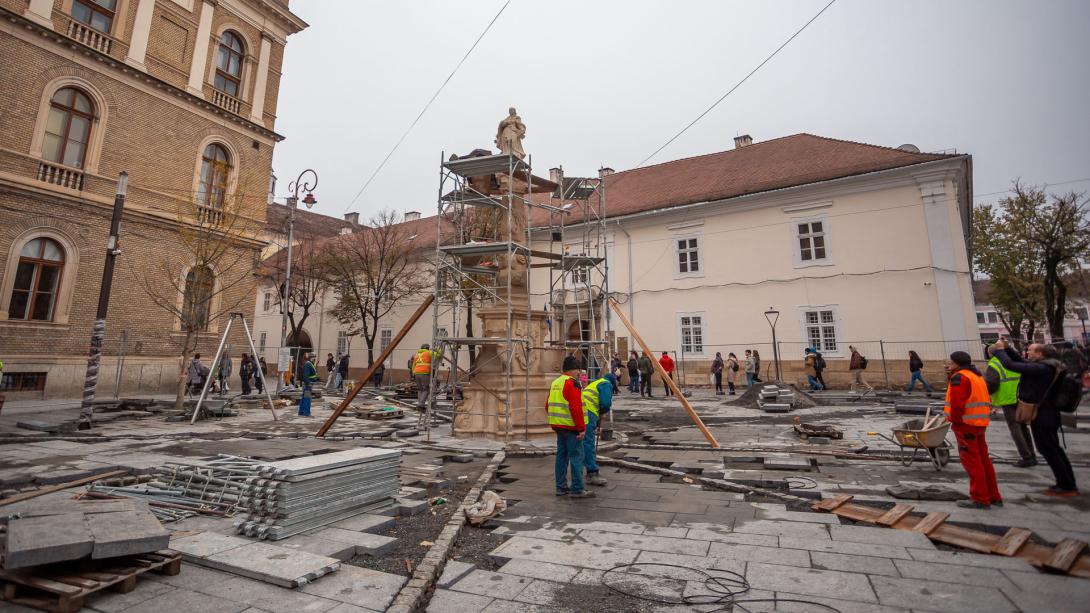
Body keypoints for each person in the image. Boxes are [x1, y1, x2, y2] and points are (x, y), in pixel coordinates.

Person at [991, 340, 1078, 496]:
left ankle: (1066, 486)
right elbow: (1020, 362)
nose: (1027, 352)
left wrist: (998, 351)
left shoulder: (1043, 368)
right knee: (1052, 448)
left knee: (1049, 449)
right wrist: (1007, 349)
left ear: (1040, 354)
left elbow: (1012, 365)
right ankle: (1066, 483)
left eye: (1030, 350)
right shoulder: (1048, 366)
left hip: (1044, 414)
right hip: (1047, 413)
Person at [944, 351, 1002, 509]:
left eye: (950, 361)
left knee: (972, 461)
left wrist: (955, 422)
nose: (949, 364)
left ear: (956, 363)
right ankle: (993, 495)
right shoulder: (976, 376)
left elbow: (957, 404)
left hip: (966, 424)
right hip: (979, 423)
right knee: (983, 459)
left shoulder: (960, 378)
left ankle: (980, 498)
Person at [548, 355, 592, 498]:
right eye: (578, 370)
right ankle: (578, 489)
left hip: (558, 425)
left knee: (561, 456)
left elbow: (547, 404)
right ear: (573, 370)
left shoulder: (556, 382)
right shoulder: (572, 383)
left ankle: (560, 487)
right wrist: (581, 428)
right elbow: (576, 408)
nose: (579, 373)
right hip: (571, 427)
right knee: (576, 456)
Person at [985, 344, 1036, 467]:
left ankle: (1026, 457)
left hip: (1008, 399)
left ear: (991, 354)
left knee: (1015, 428)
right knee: (1023, 427)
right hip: (1021, 396)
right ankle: (1031, 454)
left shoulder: (994, 364)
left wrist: (986, 394)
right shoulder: (1013, 361)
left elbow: (991, 384)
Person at [582, 373, 617, 487]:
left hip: (582, 411)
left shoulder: (596, 383)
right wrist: (602, 412)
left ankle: (582, 469)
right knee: (589, 442)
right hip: (589, 412)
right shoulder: (606, 384)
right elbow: (606, 403)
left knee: (582, 442)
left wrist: (597, 422)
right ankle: (592, 472)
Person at [412, 343, 441, 409]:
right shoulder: (428, 353)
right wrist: (438, 349)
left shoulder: (417, 355)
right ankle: (421, 405)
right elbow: (438, 355)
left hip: (416, 373)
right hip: (424, 373)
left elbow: (413, 365)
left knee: (420, 389)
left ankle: (420, 403)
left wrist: (413, 374)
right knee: (426, 389)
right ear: (427, 348)